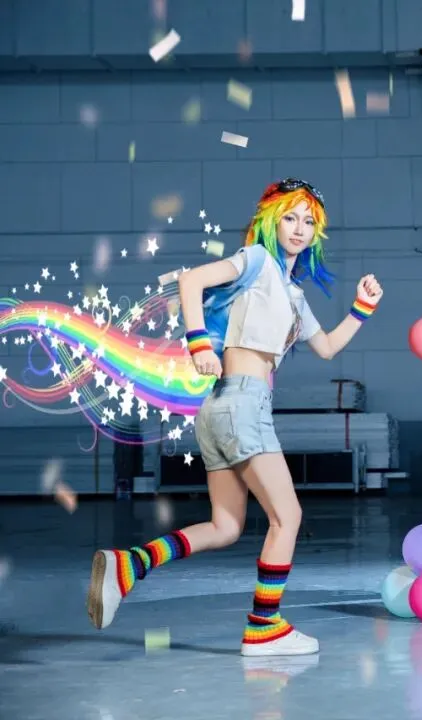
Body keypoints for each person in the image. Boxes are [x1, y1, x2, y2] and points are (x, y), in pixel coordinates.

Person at [85, 179, 384, 657]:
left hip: (224, 409)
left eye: (308, 221)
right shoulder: (257, 260)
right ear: (270, 221)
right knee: (287, 517)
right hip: (241, 403)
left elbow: (327, 347)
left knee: (225, 527)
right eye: (290, 218)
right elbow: (191, 281)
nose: (299, 228)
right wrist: (200, 344)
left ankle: (129, 566)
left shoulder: (292, 293)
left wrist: (362, 309)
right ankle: (264, 627)